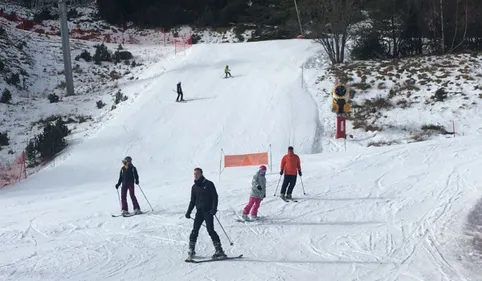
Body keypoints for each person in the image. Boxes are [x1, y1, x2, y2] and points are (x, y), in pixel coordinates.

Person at [185, 168, 227, 259]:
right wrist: (188, 212)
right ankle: (191, 249)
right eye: (194, 174)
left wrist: (214, 209)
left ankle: (219, 250)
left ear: (201, 174)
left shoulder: (209, 184)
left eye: (197, 174)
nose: (195, 175)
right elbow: (192, 201)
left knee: (210, 230)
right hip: (199, 212)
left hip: (208, 211)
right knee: (194, 230)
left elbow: (215, 197)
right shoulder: (194, 187)